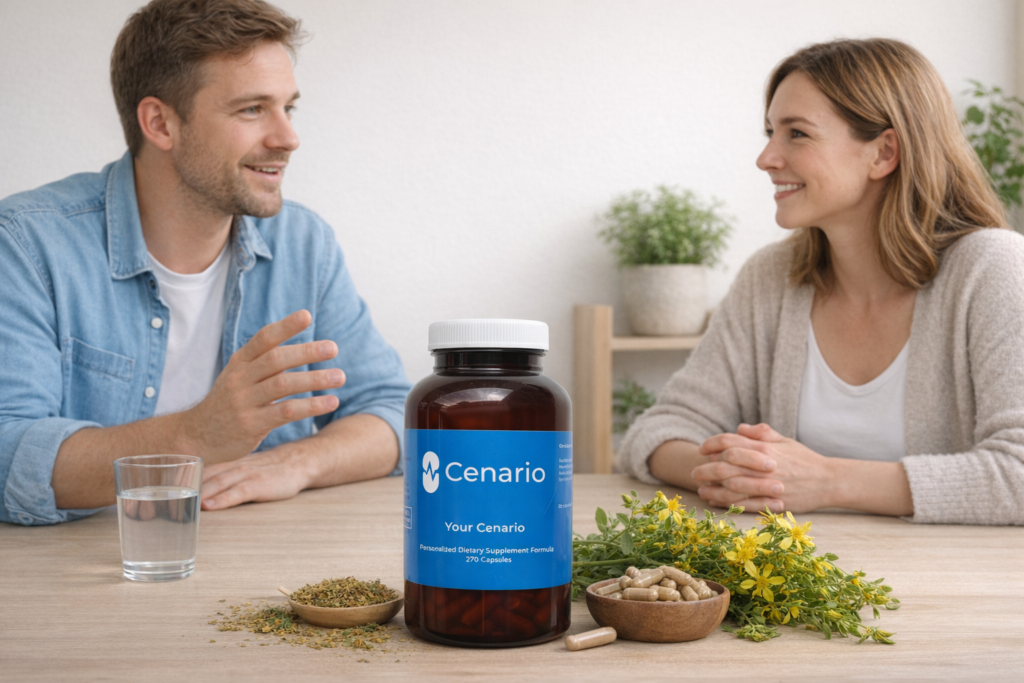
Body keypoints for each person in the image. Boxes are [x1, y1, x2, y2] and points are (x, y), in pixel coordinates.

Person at [0, 0, 411, 526]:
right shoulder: (28, 244)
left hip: (255, 573)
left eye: (289, 107)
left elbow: (393, 411)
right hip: (89, 581)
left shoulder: (303, 244)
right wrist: (196, 437)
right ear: (161, 123)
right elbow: (9, 451)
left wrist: (297, 462)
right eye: (251, 109)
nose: (287, 138)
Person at [619, 38, 1024, 525]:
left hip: (949, 591)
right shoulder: (771, 279)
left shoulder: (992, 269)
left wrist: (828, 481)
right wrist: (750, 474)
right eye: (771, 131)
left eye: (797, 134)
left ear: (883, 153)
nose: (766, 157)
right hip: (796, 592)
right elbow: (660, 431)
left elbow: (1016, 473)